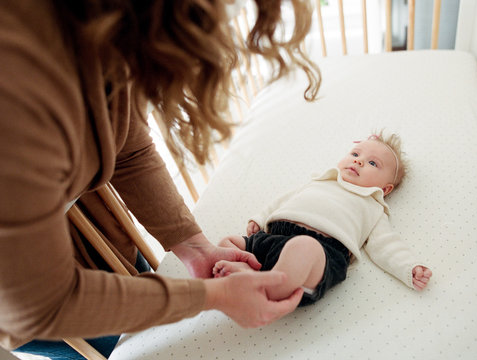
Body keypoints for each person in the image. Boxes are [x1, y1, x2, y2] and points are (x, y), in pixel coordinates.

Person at [0, 0, 321, 358]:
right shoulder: (17, 80)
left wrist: (195, 248)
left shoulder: (101, 35)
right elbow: (40, 307)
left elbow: (129, 148)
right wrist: (213, 298)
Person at [213, 132, 432, 306]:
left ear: (385, 189)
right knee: (228, 244)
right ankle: (250, 274)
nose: (358, 162)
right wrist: (260, 218)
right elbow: (285, 199)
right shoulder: (321, 181)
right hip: (276, 236)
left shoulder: (373, 206)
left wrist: (408, 268)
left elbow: (386, 245)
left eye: (372, 164)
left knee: (304, 248)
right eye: (355, 155)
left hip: (322, 252)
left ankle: (268, 288)